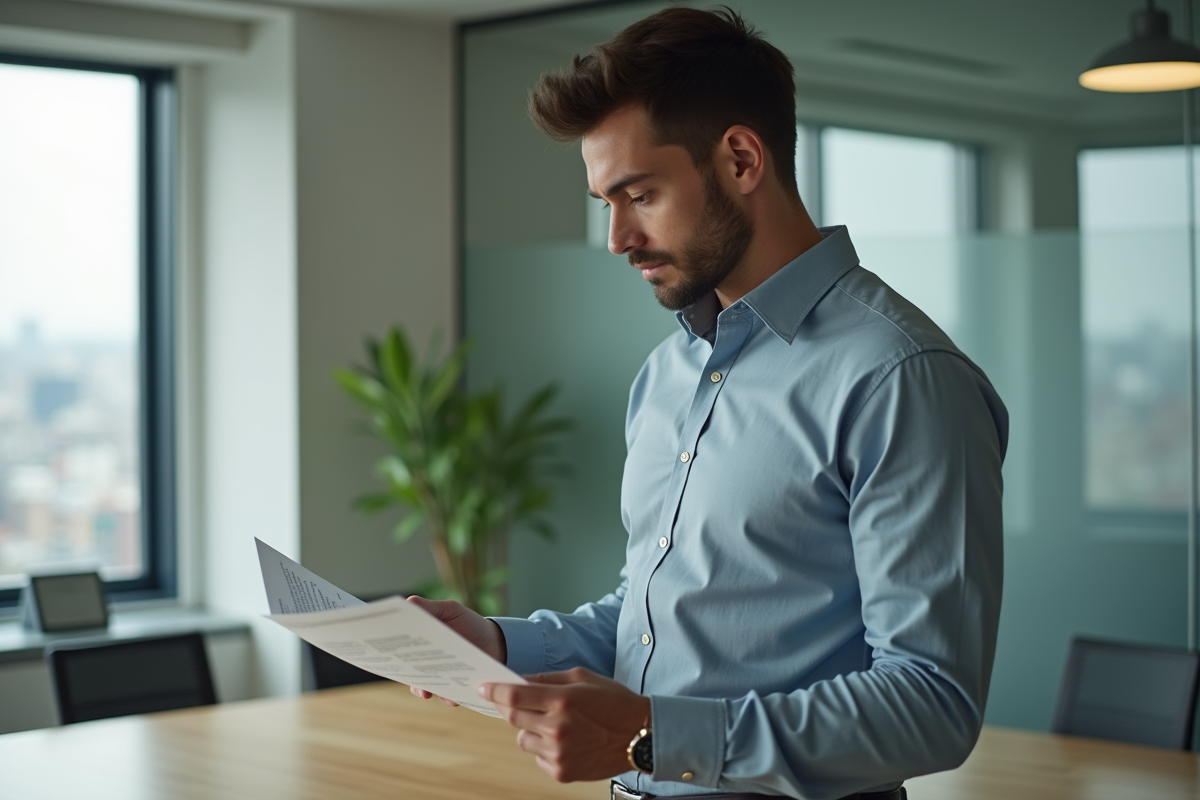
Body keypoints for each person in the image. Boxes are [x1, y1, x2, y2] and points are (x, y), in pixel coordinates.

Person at [408, 7, 1008, 800]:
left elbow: (932, 704)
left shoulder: (901, 376)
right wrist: (494, 642)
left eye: (640, 194)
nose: (618, 237)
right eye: (605, 204)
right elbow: (658, 615)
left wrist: (653, 737)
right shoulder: (669, 373)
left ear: (739, 158)